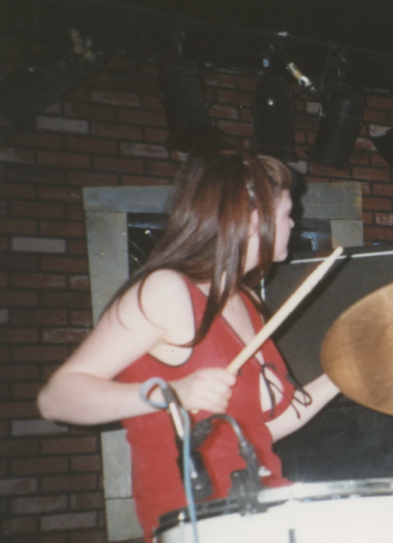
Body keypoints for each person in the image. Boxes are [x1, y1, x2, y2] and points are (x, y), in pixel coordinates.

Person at [37, 143, 340, 541]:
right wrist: (170, 393)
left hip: (261, 509)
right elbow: (57, 398)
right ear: (253, 220)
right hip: (198, 522)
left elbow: (266, 429)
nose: (294, 225)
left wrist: (346, 373)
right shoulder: (166, 290)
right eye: (287, 214)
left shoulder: (245, 301)